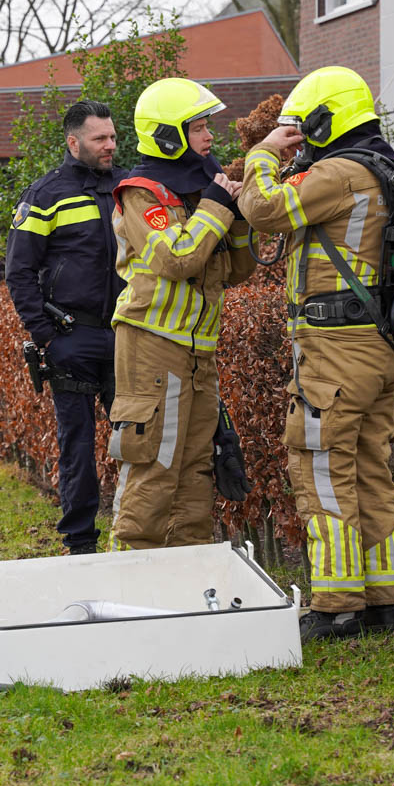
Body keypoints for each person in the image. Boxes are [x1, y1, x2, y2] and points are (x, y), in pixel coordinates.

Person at [236, 66, 394, 642]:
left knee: (322, 470)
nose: (301, 138)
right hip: (377, 345)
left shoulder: (338, 172)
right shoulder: (386, 170)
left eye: (303, 127)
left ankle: (336, 607)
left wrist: (262, 154)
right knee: (369, 471)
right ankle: (385, 601)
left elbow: (263, 210)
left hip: (336, 347)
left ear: (322, 119)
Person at [107, 78, 255, 550]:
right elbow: (178, 259)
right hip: (153, 345)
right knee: (154, 462)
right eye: (198, 127)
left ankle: (187, 579)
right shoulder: (142, 194)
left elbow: (236, 271)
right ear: (168, 135)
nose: (210, 136)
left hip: (197, 351)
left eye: (208, 125)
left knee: (195, 467)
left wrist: (240, 216)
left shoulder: (200, 191)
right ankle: (130, 579)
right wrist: (216, 208)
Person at [4, 100, 127, 555]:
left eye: (113, 136)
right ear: (74, 142)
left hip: (128, 335)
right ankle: (80, 543)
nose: (110, 145)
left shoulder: (128, 187)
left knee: (139, 440)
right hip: (71, 338)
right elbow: (18, 271)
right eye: (100, 138)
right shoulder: (45, 194)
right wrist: (46, 335)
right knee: (76, 446)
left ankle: (136, 534)